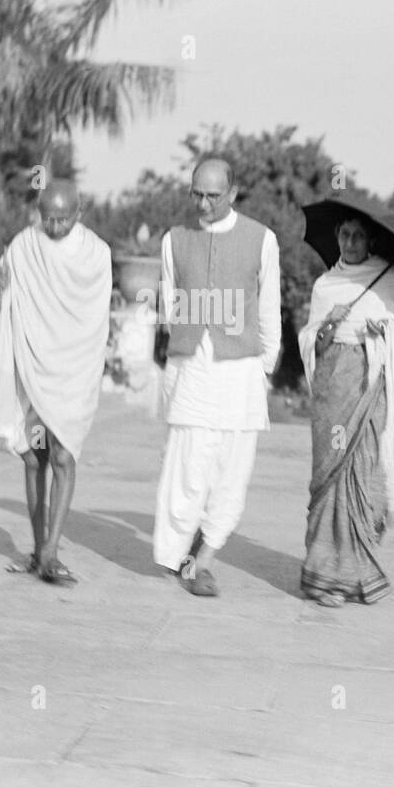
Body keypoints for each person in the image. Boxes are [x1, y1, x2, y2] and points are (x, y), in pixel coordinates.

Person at [0, 180, 111, 585]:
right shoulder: (23, 245)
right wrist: (1, 293)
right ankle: (39, 550)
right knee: (34, 455)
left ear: (80, 213)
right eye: (47, 219)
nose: (54, 227)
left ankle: (52, 552)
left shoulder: (97, 254)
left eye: (63, 219)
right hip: (31, 365)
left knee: (63, 455)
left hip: (72, 370)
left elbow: (93, 316)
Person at [152, 157, 281, 597]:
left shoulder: (263, 240)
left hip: (239, 371)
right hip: (190, 369)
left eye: (213, 195)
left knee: (230, 472)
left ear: (233, 193)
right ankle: (179, 552)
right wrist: (176, 360)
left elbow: (269, 310)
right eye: (196, 194)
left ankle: (202, 559)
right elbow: (170, 306)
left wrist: (262, 369)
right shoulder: (174, 240)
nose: (203, 204)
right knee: (186, 466)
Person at [296, 214, 394, 605]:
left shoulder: (389, 281)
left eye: (357, 236)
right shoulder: (325, 285)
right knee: (329, 479)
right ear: (336, 236)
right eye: (344, 234)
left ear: (369, 240)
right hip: (332, 391)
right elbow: (311, 343)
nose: (350, 242)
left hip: (371, 389)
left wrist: (383, 331)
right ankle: (326, 578)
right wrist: (326, 328)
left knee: (366, 478)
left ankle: (354, 573)